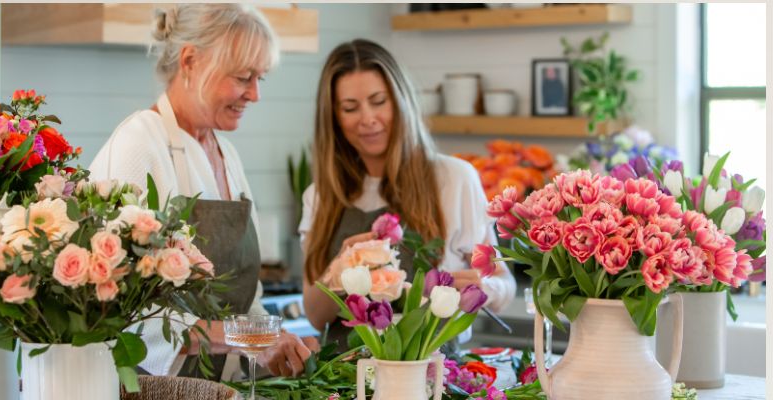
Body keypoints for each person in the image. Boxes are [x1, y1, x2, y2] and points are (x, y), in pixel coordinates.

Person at [89, 4, 316, 380]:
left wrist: (271, 344)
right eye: (243, 77)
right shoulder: (140, 144)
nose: (255, 95)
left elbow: (248, 298)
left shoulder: (227, 154)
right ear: (191, 61)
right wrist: (246, 336)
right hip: (150, 387)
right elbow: (124, 313)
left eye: (261, 78)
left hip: (225, 386)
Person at [299, 39, 516, 350]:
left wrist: (485, 288)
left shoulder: (455, 180)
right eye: (350, 108)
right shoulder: (320, 196)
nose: (368, 118)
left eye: (378, 101)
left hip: (436, 378)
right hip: (344, 381)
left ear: (400, 101)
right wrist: (341, 267)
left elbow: (504, 281)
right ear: (333, 118)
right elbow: (317, 317)